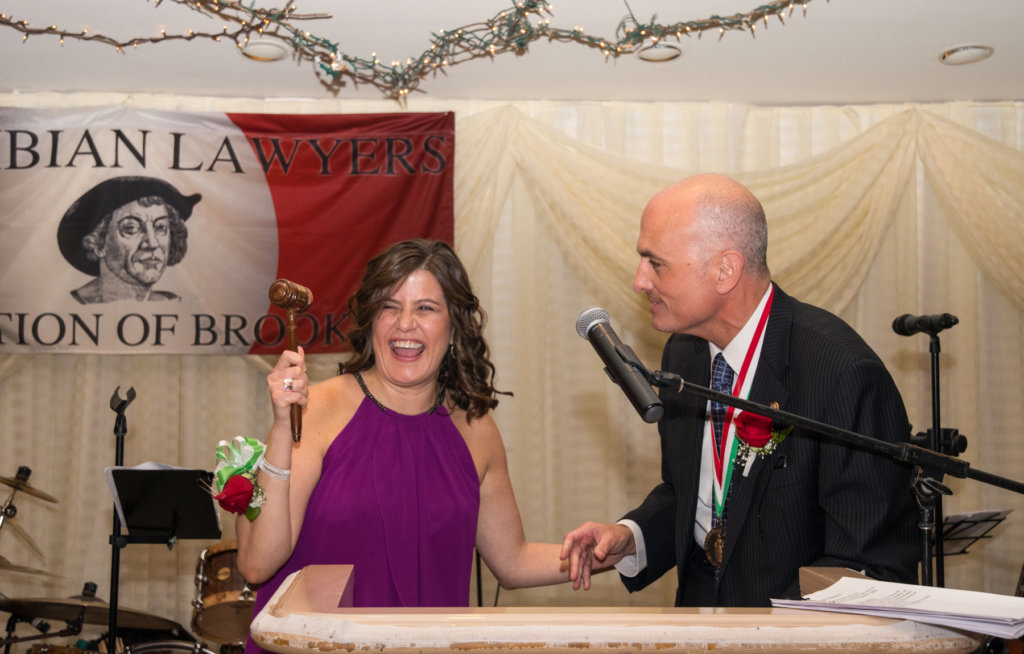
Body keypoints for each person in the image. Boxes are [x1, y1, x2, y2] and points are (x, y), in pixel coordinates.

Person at [559, 173, 919, 607]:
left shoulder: (841, 372)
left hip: (790, 633)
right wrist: (631, 535)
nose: (639, 281)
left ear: (725, 270)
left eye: (656, 263)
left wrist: (760, 630)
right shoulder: (683, 354)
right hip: (698, 625)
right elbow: (695, 497)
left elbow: (867, 563)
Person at [236, 239, 570, 653]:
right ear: (371, 321)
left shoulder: (476, 430)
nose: (405, 324)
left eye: (425, 308)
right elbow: (256, 565)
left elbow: (514, 561)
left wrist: (618, 549)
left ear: (454, 327)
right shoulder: (316, 410)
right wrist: (281, 428)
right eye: (390, 307)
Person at [56, 176, 200, 303]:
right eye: (131, 228)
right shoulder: (70, 304)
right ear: (98, 243)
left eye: (161, 227)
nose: (152, 243)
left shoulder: (173, 302)